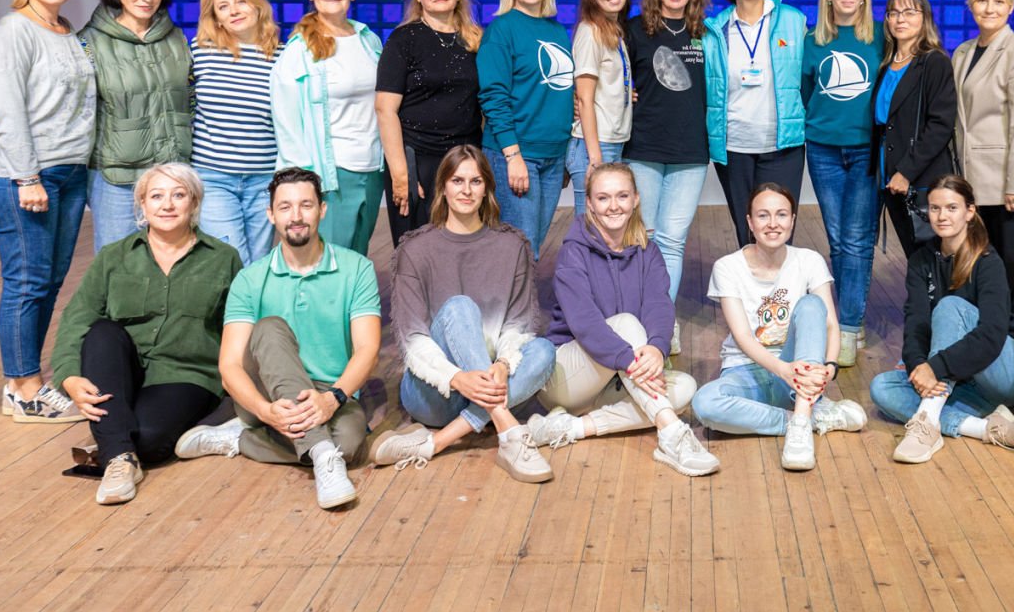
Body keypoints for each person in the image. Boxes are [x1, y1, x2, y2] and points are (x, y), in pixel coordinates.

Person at [174, 167, 381, 510]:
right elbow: (230, 365)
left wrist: (333, 399)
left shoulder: (357, 268)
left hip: (328, 390)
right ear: (271, 214)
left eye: (306, 205)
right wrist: (265, 411)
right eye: (285, 207)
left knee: (347, 445)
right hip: (267, 391)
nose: (296, 216)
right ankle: (321, 453)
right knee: (269, 327)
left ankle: (241, 439)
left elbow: (368, 349)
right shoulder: (250, 279)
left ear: (322, 209)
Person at [50, 164, 241, 504]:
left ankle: (117, 441)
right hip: (124, 372)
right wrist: (68, 377)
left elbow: (239, 328)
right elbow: (76, 319)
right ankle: (120, 460)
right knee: (101, 332)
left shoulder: (223, 259)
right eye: (156, 196)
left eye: (178, 195)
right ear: (142, 203)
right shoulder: (114, 257)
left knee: (150, 442)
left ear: (194, 202)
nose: (167, 205)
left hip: (187, 374)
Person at [369, 146, 558, 482]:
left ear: (487, 189)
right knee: (460, 307)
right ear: (443, 187)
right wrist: (457, 378)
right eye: (457, 181)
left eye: (475, 181)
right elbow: (414, 343)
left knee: (544, 351)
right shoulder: (415, 249)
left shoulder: (513, 245)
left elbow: (517, 326)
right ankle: (509, 432)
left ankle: (437, 442)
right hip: (434, 392)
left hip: (491, 386)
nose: (466, 190)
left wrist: (503, 365)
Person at [525, 163, 720, 477]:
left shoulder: (648, 252)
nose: (613, 206)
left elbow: (659, 306)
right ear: (590, 203)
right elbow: (585, 324)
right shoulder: (573, 253)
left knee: (685, 388)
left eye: (622, 196)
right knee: (627, 324)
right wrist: (633, 361)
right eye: (603, 198)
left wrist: (656, 348)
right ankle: (672, 434)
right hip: (567, 377)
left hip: (618, 377)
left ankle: (571, 428)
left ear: (636, 199)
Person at [0, 0, 96, 424]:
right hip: (25, 174)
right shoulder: (13, 32)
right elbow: (7, 111)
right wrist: (28, 177)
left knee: (48, 281)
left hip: (70, 171)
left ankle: (25, 380)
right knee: (27, 283)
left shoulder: (67, 31)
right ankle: (24, 389)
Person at [691, 184, 866, 471]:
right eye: (763, 215)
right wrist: (782, 370)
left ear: (792, 220)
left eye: (781, 215)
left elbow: (830, 326)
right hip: (747, 370)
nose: (773, 223)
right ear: (750, 222)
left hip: (798, 372)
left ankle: (801, 419)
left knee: (811, 305)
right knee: (705, 404)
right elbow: (743, 336)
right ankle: (805, 420)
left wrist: (830, 367)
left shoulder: (808, 260)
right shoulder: (727, 267)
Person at [870, 175, 1014, 463]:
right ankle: (986, 428)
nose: (942, 216)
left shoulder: (988, 261)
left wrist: (934, 368)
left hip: (1005, 371)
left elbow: (992, 334)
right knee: (882, 388)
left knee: (950, 307)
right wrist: (918, 364)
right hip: (965, 381)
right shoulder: (921, 261)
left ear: (969, 212)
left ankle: (926, 422)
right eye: (935, 208)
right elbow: (916, 323)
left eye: (951, 208)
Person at [623, 0, 712, 353]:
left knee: (673, 242)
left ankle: (663, 322)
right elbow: (612, 77)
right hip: (642, 147)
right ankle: (638, 321)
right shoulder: (633, 31)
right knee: (644, 238)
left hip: (690, 151)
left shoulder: (707, 34)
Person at [271, 0, 385, 254]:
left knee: (357, 257)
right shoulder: (299, 50)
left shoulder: (369, 40)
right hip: (329, 174)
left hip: (372, 168)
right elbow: (287, 123)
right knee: (329, 258)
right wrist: (302, 180)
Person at [951, 0, 1014, 331]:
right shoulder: (962, 52)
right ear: (970, 6)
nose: (989, 8)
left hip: (1007, 187)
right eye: (981, 0)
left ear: (1011, 7)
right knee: (979, 269)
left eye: (998, 1)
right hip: (971, 184)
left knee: (1013, 272)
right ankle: (984, 339)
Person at [801, 0, 883, 368]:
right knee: (837, 239)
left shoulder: (883, 36)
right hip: (823, 149)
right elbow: (805, 91)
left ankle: (849, 325)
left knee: (857, 240)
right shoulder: (811, 41)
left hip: (867, 149)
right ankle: (848, 316)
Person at [82, 0, 193, 251]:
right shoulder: (89, 42)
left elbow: (191, 98)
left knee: (172, 260)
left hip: (172, 173)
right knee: (118, 263)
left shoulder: (177, 38)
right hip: (117, 178)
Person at [376, 0, 483, 246]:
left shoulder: (476, 40)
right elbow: (385, 110)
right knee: (417, 250)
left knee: (464, 250)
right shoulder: (403, 40)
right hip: (416, 161)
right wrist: (401, 174)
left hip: (464, 162)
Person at [703, 0, 808, 245]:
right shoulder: (714, 30)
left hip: (783, 146)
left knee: (778, 231)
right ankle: (751, 278)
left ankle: (779, 279)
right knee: (746, 231)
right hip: (734, 146)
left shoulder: (794, 21)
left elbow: (811, 76)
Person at [476, 0, 573, 259]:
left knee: (532, 249)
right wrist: (513, 155)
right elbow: (493, 96)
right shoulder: (501, 30)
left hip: (553, 156)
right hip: (517, 154)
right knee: (520, 251)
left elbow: (562, 92)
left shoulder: (557, 31)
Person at [190, 0, 282, 264]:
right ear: (216, 18)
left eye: (241, 1)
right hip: (213, 176)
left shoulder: (283, 56)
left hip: (265, 178)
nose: (234, 11)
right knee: (232, 259)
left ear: (257, 6)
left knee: (259, 261)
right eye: (223, 6)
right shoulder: (200, 52)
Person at [874, 0, 958, 260]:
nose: (900, 19)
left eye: (909, 12)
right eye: (894, 12)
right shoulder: (886, 64)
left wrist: (906, 172)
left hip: (921, 179)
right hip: (890, 178)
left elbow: (940, 125)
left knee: (935, 257)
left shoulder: (935, 62)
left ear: (925, 18)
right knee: (915, 258)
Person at [567, 0, 633, 217]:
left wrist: (625, 93)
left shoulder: (613, 30)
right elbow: (584, 99)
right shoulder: (590, 31)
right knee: (591, 230)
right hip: (594, 146)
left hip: (612, 143)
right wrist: (595, 158)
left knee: (607, 227)